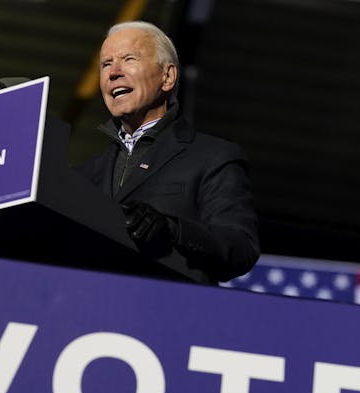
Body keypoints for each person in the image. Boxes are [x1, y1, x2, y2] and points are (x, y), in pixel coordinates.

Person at [76, 21, 260, 285]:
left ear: (168, 77)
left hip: (165, 314)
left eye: (129, 59)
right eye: (105, 64)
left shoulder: (214, 157)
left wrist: (174, 230)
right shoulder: (81, 175)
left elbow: (240, 248)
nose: (113, 72)